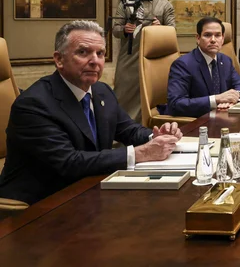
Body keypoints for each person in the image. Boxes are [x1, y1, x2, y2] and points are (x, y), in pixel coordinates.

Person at [0, 21, 181, 205]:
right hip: (39, 206)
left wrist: (155, 135)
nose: (95, 61)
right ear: (59, 59)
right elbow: (69, 162)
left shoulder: (101, 91)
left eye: (100, 53)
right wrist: (141, 153)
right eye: (83, 52)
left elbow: (128, 130)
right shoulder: (34, 104)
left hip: (88, 191)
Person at [112, 0, 175, 122]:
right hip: (129, 57)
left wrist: (161, 28)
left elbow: (172, 32)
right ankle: (122, 132)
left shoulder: (165, 5)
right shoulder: (125, 3)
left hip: (156, 59)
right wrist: (125, 29)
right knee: (123, 93)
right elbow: (115, 29)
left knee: (152, 94)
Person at [164, 17, 240, 118]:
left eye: (218, 35)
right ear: (198, 38)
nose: (213, 40)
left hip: (221, 117)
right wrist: (216, 99)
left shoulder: (225, 60)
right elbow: (176, 104)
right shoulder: (183, 64)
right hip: (196, 122)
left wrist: (235, 95)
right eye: (207, 35)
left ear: (223, 39)